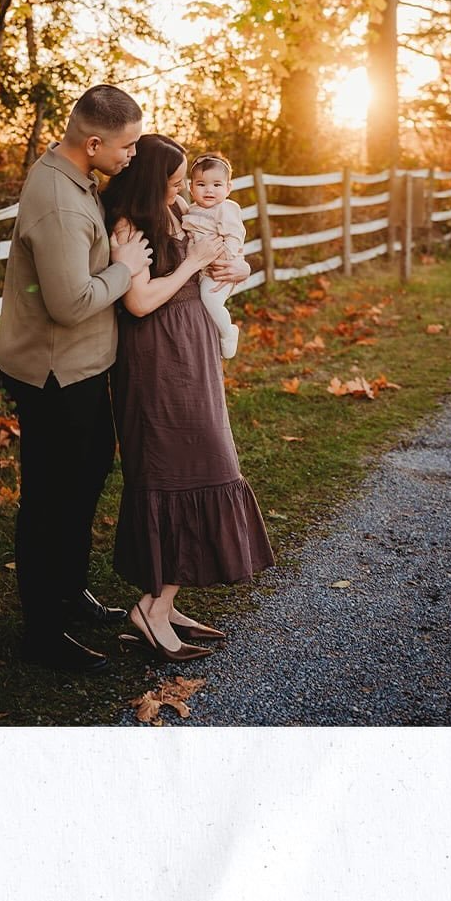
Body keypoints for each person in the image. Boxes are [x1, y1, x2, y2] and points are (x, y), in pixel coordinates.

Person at [0, 85, 152, 673]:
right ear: (92, 143)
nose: (131, 155)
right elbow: (69, 303)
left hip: (81, 369)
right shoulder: (60, 202)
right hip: (54, 377)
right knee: (50, 500)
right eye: (127, 146)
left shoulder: (78, 178)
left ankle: (68, 591)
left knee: (85, 481)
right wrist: (125, 270)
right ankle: (43, 634)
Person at [103, 134, 275, 662]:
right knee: (181, 468)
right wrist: (191, 262)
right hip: (158, 359)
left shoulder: (177, 209)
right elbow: (138, 302)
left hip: (191, 350)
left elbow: (222, 253)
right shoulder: (130, 227)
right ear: (153, 180)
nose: (182, 190)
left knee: (203, 463)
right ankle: (151, 609)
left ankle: (166, 601)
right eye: (175, 181)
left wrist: (239, 268)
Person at [181, 151, 249, 359]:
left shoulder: (225, 208)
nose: (209, 190)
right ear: (191, 188)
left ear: (228, 188)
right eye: (201, 184)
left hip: (221, 267)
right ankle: (214, 339)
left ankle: (228, 333)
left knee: (209, 298)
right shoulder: (191, 209)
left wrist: (226, 259)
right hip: (202, 267)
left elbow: (234, 235)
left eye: (217, 185)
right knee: (204, 305)